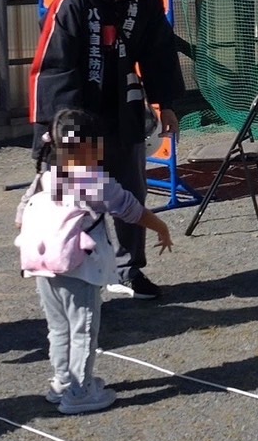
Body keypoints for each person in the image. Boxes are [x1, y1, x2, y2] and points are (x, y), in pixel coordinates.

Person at [30, 0, 181, 301]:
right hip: (77, 121)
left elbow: (159, 52)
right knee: (76, 202)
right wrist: (62, 133)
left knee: (130, 192)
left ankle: (131, 270)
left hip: (124, 111)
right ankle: (76, 274)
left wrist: (166, 103)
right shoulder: (74, 3)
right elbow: (53, 69)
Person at [16, 108, 174, 414]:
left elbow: (21, 216)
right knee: (83, 329)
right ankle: (80, 393)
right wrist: (162, 227)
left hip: (43, 264)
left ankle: (63, 382)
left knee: (59, 327)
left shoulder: (46, 174)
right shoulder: (93, 181)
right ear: (93, 146)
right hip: (80, 268)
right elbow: (130, 208)